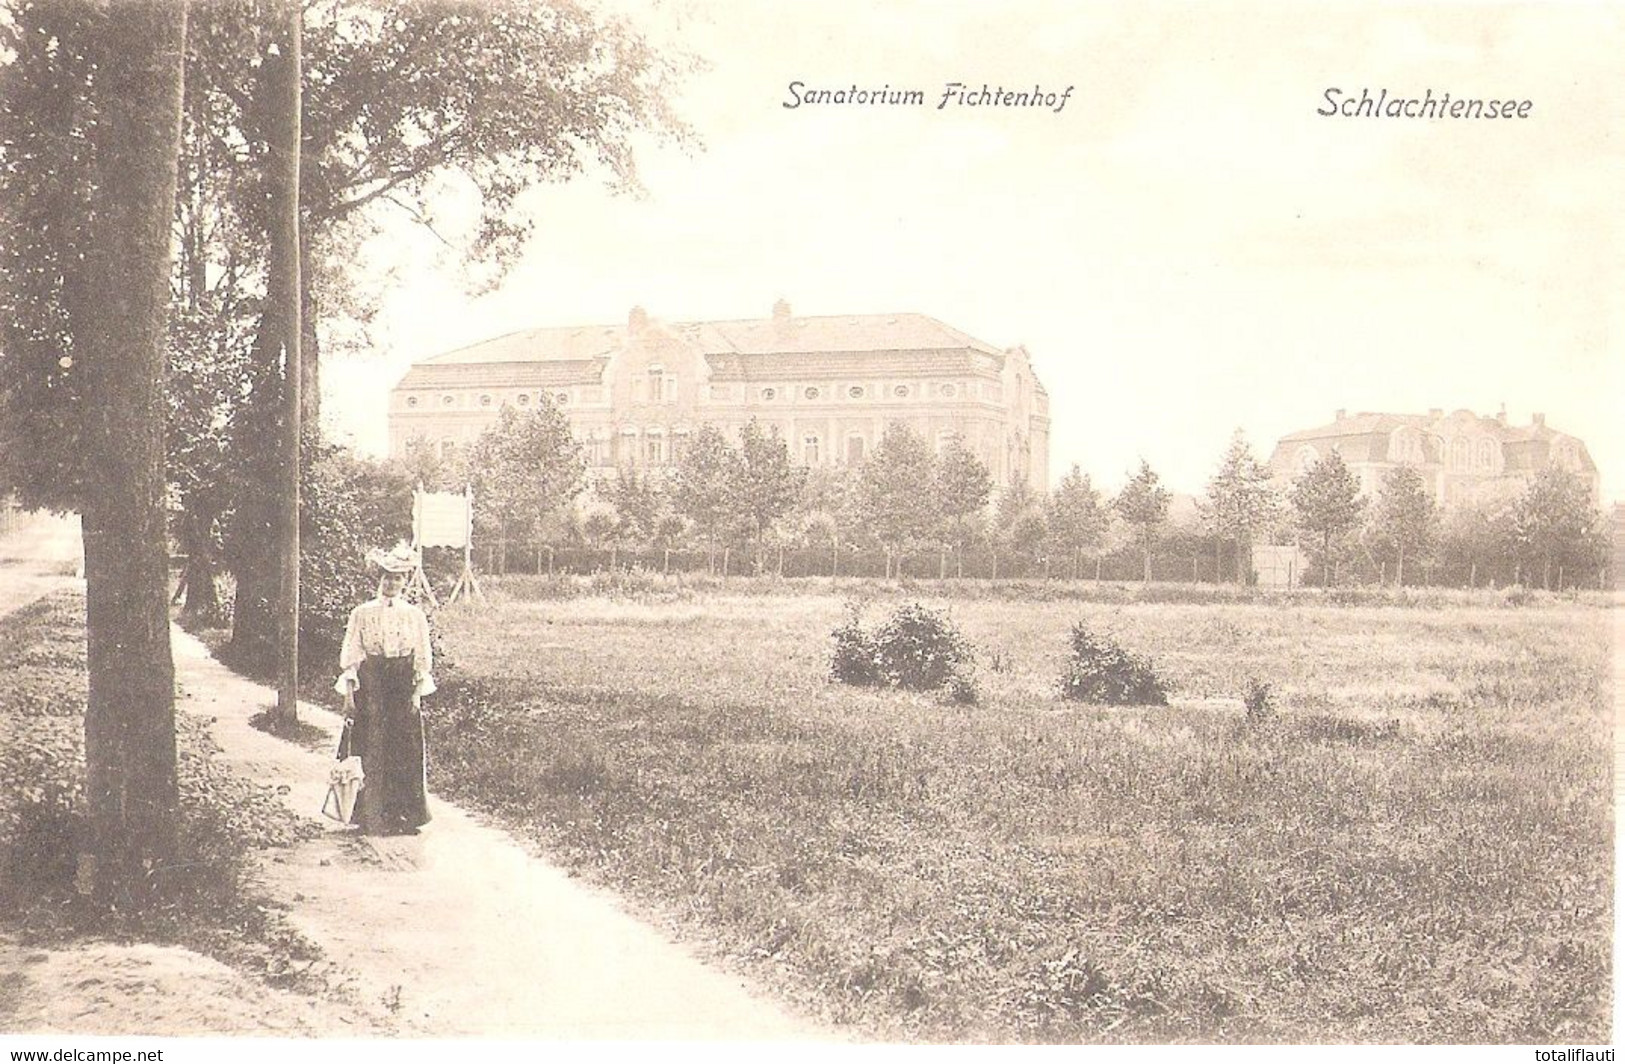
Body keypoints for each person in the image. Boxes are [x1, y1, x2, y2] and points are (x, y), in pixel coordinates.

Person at [334, 542, 435, 835]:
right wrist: (350, 696)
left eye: (397, 578)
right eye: (386, 577)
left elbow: (422, 658)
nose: (391, 583)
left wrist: (415, 695)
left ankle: (403, 815)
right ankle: (369, 815)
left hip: (402, 684)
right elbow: (352, 655)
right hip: (373, 683)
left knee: (403, 749)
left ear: (405, 582)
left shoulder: (413, 615)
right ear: (378, 579)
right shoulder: (362, 613)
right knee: (370, 746)